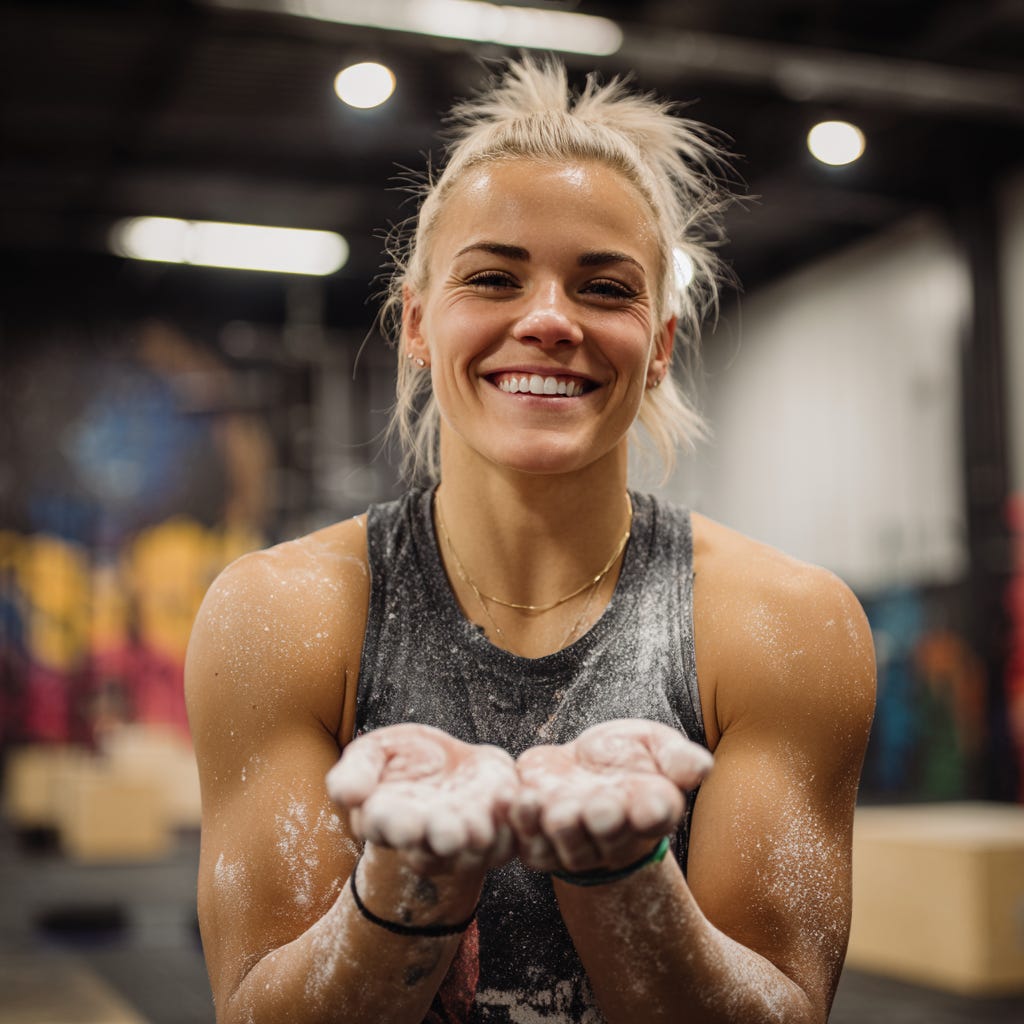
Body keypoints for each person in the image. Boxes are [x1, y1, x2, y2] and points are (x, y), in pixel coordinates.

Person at [185, 56, 876, 1024]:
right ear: (420, 325)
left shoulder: (785, 624)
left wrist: (623, 875)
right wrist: (408, 883)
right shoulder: (280, 615)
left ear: (661, 341)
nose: (548, 320)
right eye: (494, 278)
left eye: (602, 287)